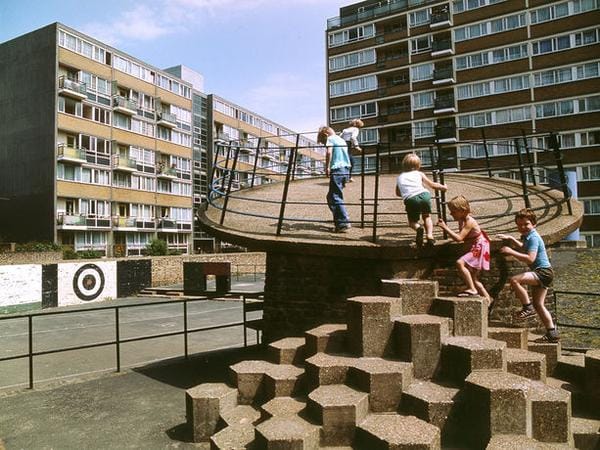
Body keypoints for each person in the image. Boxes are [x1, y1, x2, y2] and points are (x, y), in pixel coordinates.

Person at [498, 208, 558, 343]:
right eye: (519, 225)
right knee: (539, 305)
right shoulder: (528, 236)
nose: (522, 227)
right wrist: (512, 238)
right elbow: (524, 247)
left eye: (526, 224)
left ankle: (527, 307)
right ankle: (552, 333)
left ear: (534, 224)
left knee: (515, 280)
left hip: (542, 272)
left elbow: (530, 259)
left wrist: (510, 251)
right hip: (545, 272)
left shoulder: (534, 237)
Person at [437, 195, 492, 306]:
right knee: (473, 277)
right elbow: (466, 239)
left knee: (459, 263)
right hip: (476, 246)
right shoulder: (462, 220)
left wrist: (445, 227)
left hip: (479, 246)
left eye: (453, 212)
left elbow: (459, 238)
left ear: (462, 210)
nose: (451, 214)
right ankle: (488, 299)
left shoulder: (469, 221)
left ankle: (472, 289)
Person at [396, 153, 447, 247]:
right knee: (427, 217)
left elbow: (398, 193)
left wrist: (406, 193)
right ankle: (430, 236)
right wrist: (443, 187)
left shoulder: (400, 177)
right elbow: (432, 185)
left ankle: (418, 228)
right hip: (424, 195)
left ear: (404, 165)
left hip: (410, 198)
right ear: (418, 165)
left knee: (412, 222)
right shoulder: (419, 174)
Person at [317, 126, 352, 233]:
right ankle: (341, 219)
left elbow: (329, 152)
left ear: (326, 135)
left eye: (323, 142)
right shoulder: (341, 140)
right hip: (345, 169)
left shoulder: (331, 139)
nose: (324, 144)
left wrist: (326, 167)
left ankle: (343, 223)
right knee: (332, 196)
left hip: (337, 169)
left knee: (335, 196)